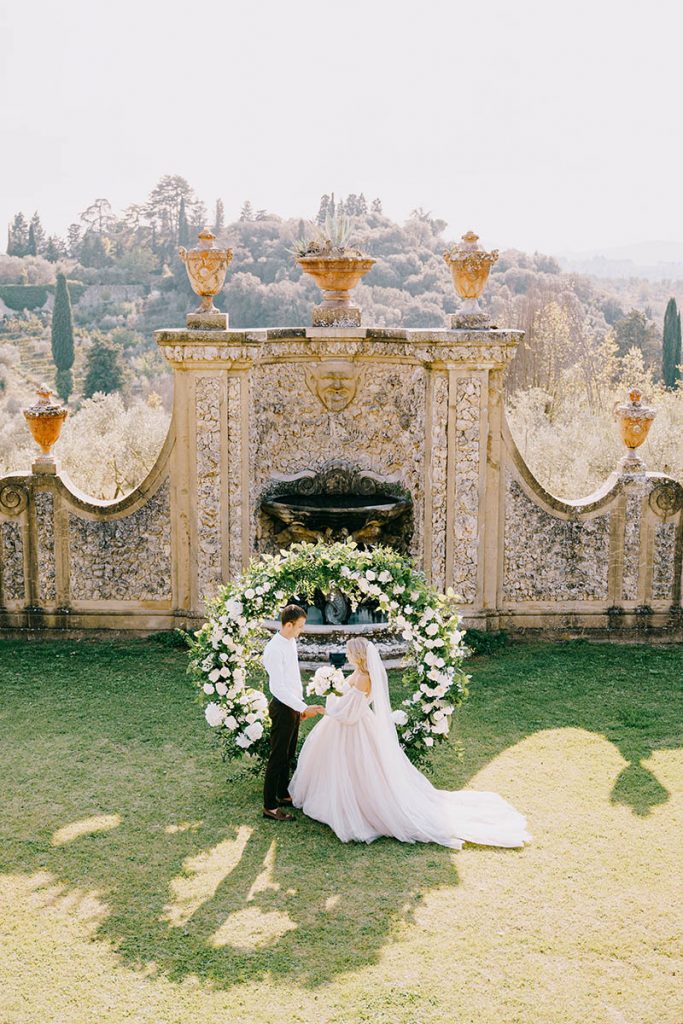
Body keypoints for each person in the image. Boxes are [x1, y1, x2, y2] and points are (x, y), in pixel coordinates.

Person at [289, 637, 532, 849]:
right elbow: (347, 702)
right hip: (347, 726)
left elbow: (350, 715)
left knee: (357, 770)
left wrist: (327, 710)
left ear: (359, 656)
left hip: (354, 729)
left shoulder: (364, 678)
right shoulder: (358, 673)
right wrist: (332, 689)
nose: (348, 654)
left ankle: (356, 809)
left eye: (351, 652)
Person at [261, 604, 324, 822]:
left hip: (293, 706)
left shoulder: (291, 641)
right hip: (282, 708)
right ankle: (269, 806)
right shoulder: (273, 650)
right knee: (277, 757)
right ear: (288, 625)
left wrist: (300, 706)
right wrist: (302, 708)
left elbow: (293, 679)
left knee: (287, 754)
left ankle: (282, 793)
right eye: (299, 626)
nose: (301, 630)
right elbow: (278, 688)